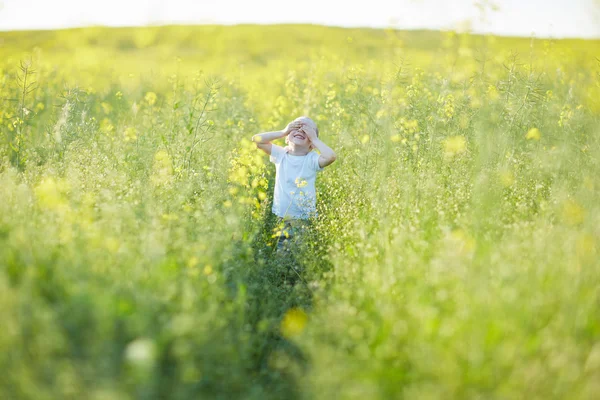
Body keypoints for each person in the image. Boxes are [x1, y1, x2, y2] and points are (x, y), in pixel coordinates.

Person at [252, 116, 336, 254]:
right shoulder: (281, 154)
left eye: (307, 130)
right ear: (287, 138)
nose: (301, 130)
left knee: (300, 255)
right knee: (281, 253)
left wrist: (315, 139)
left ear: (312, 144)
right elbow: (257, 139)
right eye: (296, 127)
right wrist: (283, 131)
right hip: (282, 216)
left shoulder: (312, 159)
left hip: (303, 219)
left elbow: (331, 156)